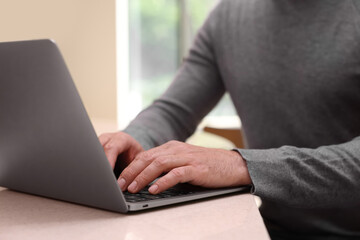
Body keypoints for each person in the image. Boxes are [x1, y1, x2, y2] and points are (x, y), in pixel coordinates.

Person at [99, 0, 360, 239]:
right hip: (271, 228)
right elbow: (173, 111)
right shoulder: (230, 14)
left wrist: (241, 166)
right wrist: (133, 139)